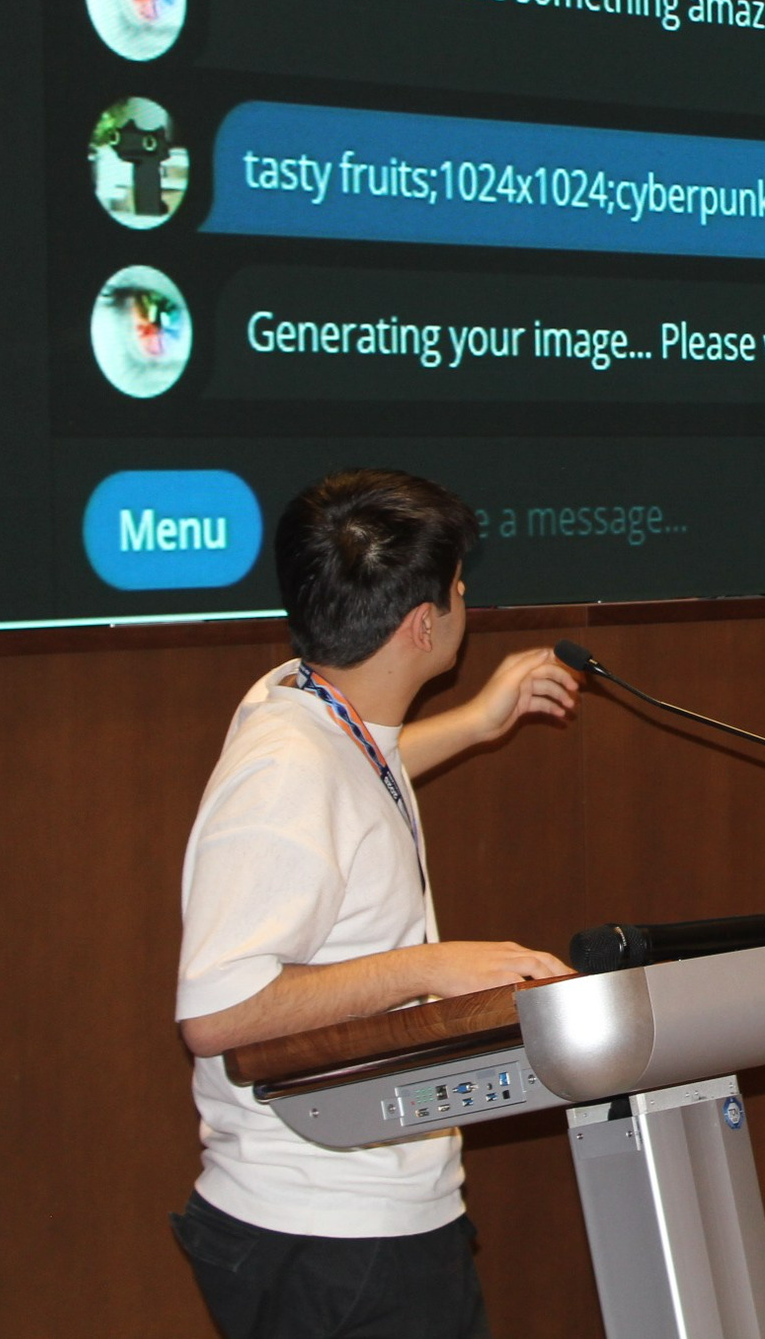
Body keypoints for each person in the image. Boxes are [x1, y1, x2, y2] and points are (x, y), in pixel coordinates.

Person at [171, 469, 579, 1338]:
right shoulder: (284, 772)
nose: (468, 599)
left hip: (351, 1222)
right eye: (461, 586)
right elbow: (215, 1009)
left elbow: (353, 782)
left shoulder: (305, 699)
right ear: (423, 624)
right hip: (329, 1236)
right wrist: (433, 966)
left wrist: (474, 721)